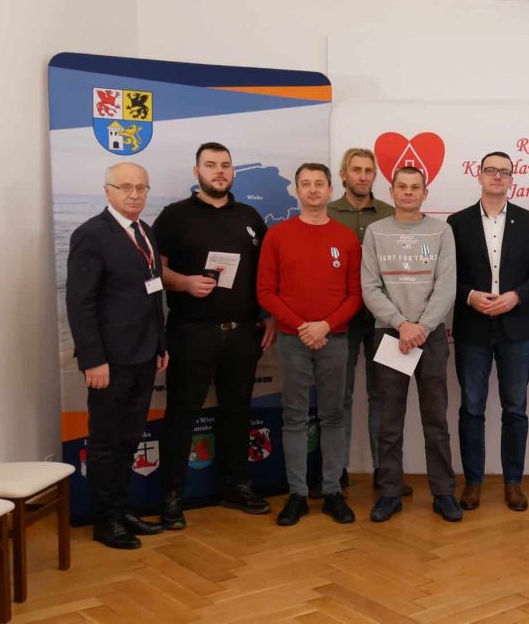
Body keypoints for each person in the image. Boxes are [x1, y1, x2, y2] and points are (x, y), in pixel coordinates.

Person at [154, 142, 274, 530]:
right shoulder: (175, 216)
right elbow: (155, 270)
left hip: (242, 334)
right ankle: (172, 497)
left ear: (233, 172)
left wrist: (270, 316)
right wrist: (185, 283)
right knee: (181, 414)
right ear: (197, 172)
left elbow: (267, 273)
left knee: (237, 412)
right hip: (192, 332)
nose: (219, 171)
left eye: (225, 165)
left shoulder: (250, 217)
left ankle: (236, 487)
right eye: (210, 165)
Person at [66, 162, 168, 549]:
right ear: (107, 190)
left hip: (143, 355)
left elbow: (153, 294)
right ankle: (105, 521)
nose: (135, 194)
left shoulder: (145, 231)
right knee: (106, 444)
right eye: (125, 187)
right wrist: (93, 360)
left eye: (141, 187)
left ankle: (122, 510)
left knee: (129, 440)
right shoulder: (91, 235)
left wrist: (160, 345)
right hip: (109, 361)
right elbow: (80, 303)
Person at [257, 163, 362, 526]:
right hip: (293, 339)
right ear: (297, 190)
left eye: (320, 183)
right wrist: (302, 326)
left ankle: (332, 491)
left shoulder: (346, 238)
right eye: (306, 184)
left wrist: (325, 325)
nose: (313, 189)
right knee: (294, 417)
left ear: (331, 190)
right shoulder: (277, 236)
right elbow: (265, 292)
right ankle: (297, 494)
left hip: (335, 338)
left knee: (333, 415)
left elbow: (355, 295)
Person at [448, 151, 529, 512]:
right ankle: (473, 483)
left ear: (511, 179)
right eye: (490, 170)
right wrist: (470, 296)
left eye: (503, 172)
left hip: (516, 328)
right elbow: (446, 276)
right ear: (479, 176)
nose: (496, 176)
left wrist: (516, 296)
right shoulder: (457, 222)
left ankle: (513, 482)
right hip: (472, 328)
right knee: (471, 408)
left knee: (515, 409)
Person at [361, 166, 461, 523]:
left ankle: (443, 493)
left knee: (436, 420)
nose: (408, 192)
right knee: (389, 420)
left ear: (424, 193)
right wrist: (402, 325)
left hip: (429, 336)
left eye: (415, 187)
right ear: (391, 191)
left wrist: (421, 326)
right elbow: (370, 287)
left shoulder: (442, 231)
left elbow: (446, 286)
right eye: (401, 186)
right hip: (391, 334)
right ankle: (390, 493)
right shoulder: (376, 232)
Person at [324, 148, 410, 497]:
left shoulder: (391, 213)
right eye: (356, 170)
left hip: (385, 320)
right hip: (339, 320)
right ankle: (336, 472)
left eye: (368, 171)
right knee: (339, 397)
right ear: (343, 175)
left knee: (384, 396)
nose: (362, 176)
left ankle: (384, 471)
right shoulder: (327, 213)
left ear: (376, 176)